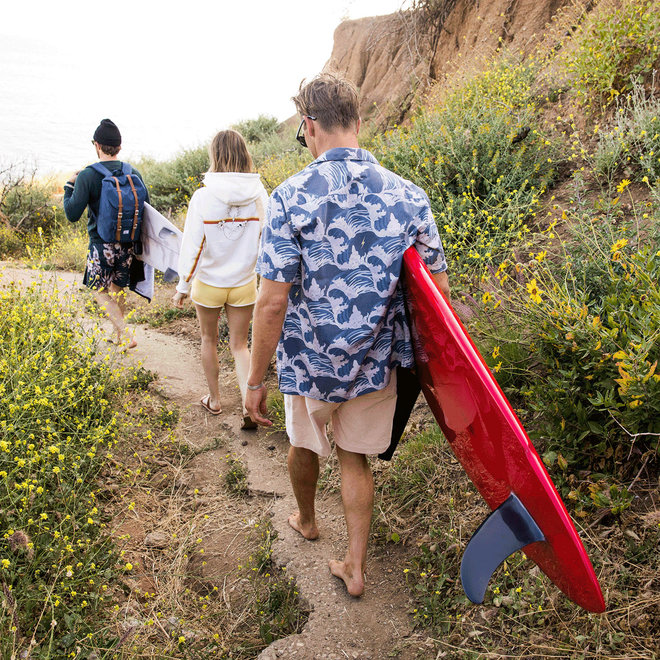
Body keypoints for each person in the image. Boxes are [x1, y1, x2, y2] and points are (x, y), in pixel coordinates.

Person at [245, 73, 450, 597]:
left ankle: (307, 520)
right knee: (353, 458)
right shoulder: (411, 197)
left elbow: (272, 301)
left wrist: (254, 378)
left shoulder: (290, 197)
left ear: (309, 127)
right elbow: (438, 297)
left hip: (309, 361)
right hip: (375, 360)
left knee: (303, 442)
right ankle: (355, 568)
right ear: (357, 123)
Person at [172, 130, 268, 428]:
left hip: (209, 284)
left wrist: (182, 287)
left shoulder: (203, 196)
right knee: (240, 345)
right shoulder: (259, 194)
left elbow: (193, 246)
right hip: (243, 283)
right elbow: (266, 240)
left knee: (208, 339)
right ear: (244, 154)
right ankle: (246, 405)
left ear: (215, 156)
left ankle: (214, 401)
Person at [63, 118, 149, 348]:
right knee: (117, 289)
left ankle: (126, 334)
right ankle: (120, 337)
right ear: (119, 147)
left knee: (97, 289)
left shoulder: (88, 175)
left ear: (97, 145)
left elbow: (72, 214)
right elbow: (146, 208)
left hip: (101, 244)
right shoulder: (134, 173)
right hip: (129, 244)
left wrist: (69, 186)